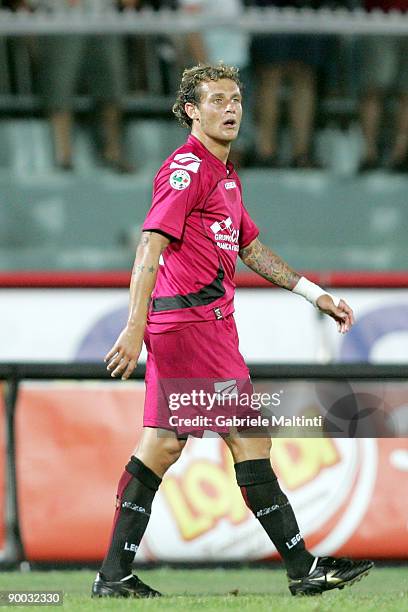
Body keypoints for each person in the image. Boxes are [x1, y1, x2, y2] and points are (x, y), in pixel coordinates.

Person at [91, 63, 373, 599]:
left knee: (163, 445)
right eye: (217, 100)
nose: (231, 108)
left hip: (204, 327)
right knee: (246, 434)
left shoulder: (224, 175)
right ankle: (302, 569)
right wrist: (133, 328)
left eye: (237, 99)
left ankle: (114, 575)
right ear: (191, 111)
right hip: (190, 325)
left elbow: (251, 250)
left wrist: (316, 296)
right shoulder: (186, 170)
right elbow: (149, 246)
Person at [34, 0, 138, 172]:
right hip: (60, 17)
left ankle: (113, 152)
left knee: (112, 89)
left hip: (104, 17)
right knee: (60, 88)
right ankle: (63, 156)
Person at [358, 0, 408, 173]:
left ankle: (400, 155)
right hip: (380, 16)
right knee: (373, 88)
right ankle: (368, 153)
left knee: (406, 92)